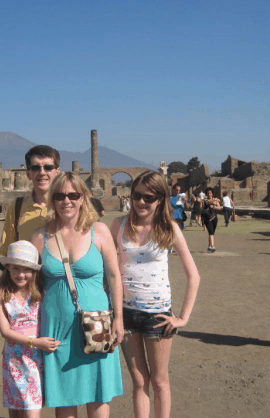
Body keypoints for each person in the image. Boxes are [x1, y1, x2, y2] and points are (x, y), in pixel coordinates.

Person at [30, 172, 124, 418]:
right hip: (56, 326)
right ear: (52, 199)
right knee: (65, 395)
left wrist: (119, 319)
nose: (66, 201)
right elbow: (29, 284)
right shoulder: (40, 237)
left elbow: (114, 277)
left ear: (83, 198)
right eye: (60, 195)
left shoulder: (100, 232)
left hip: (96, 323)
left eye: (73, 195)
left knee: (98, 393)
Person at [110, 171, 200, 418]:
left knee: (159, 380)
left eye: (148, 198)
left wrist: (182, 318)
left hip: (157, 314)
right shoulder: (118, 225)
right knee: (139, 382)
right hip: (125, 313)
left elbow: (194, 275)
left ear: (160, 199)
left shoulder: (168, 227)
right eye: (136, 195)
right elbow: (103, 266)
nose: (140, 202)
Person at [0, 240, 60, 418]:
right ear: (8, 268)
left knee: (31, 411)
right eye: (15, 268)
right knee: (15, 410)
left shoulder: (41, 290)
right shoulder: (1, 292)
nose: (21, 274)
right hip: (13, 359)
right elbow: (5, 332)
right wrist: (34, 342)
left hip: (36, 360)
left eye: (26, 269)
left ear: (34, 270)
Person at [0, 145, 61, 257]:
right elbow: (8, 251)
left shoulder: (70, 205)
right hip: (29, 273)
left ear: (57, 172)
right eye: (36, 168)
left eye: (48, 167)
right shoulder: (16, 207)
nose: (42, 172)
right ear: (28, 174)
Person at [202, 187, 222, 252]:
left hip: (214, 218)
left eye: (210, 193)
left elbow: (219, 208)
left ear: (212, 193)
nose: (209, 194)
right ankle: (212, 246)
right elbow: (208, 203)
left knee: (212, 233)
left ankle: (209, 246)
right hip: (208, 218)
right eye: (208, 193)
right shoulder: (205, 200)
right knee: (211, 232)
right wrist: (215, 200)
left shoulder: (215, 200)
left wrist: (214, 207)